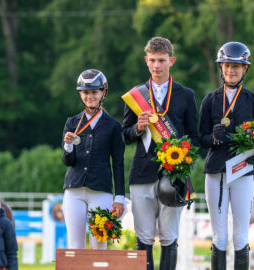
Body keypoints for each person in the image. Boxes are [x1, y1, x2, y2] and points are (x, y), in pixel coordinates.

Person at [122, 37, 198, 270]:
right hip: (141, 173)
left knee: (169, 236)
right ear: (146, 61)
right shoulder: (134, 96)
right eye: (153, 60)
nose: (157, 65)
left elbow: (194, 138)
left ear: (171, 61)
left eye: (162, 60)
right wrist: (138, 128)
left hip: (173, 177)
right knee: (143, 236)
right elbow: (125, 136)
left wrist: (183, 160)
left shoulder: (186, 95)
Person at [199, 41, 254, 270]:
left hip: (243, 171)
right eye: (227, 65)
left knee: (240, 234)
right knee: (219, 235)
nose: (231, 70)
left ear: (245, 68)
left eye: (237, 66)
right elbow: (201, 140)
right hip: (216, 171)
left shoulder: (253, 101)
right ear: (221, 67)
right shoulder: (210, 100)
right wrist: (213, 137)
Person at [62, 69, 125, 249]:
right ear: (80, 94)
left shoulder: (113, 126)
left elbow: (118, 163)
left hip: (101, 192)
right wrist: (68, 145)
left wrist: (119, 196)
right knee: (76, 246)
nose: (90, 96)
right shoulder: (72, 122)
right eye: (85, 92)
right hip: (74, 190)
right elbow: (67, 161)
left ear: (103, 93)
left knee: (99, 245)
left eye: (94, 92)